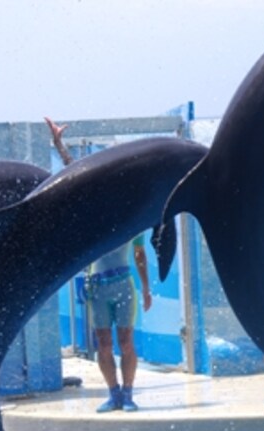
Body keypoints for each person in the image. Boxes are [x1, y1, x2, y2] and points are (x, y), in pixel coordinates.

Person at [45, 117, 152, 412]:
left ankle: (129, 393)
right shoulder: (93, 215)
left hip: (123, 284)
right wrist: (59, 145)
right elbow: (77, 176)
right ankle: (114, 393)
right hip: (97, 286)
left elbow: (140, 255)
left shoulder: (134, 219)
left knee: (126, 342)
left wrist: (145, 288)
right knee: (103, 345)